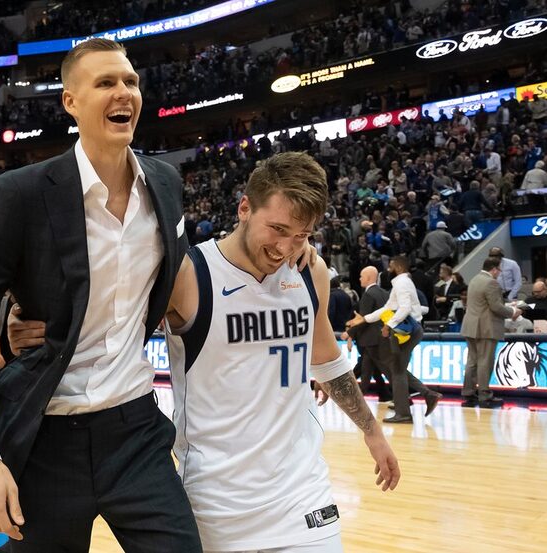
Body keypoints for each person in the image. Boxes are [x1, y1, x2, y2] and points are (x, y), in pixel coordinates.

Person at [0, 38, 201, 551]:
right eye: (105, 83)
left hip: (136, 431)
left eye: (130, 81)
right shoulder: (22, 193)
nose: (123, 91)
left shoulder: (166, 183)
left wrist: (283, 249)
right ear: (71, 102)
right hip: (44, 441)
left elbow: (184, 269)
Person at [163, 153, 399, 551]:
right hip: (217, 503)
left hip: (301, 495)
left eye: (301, 235)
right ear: (244, 208)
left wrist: (372, 431)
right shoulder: (189, 274)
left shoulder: (310, 273)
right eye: (277, 229)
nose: (285, 247)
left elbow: (326, 361)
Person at [347, 256, 441, 423]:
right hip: (408, 330)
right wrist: (364, 319)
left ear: (397, 266)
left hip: (407, 331)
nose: (387, 270)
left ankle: (404, 412)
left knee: (397, 371)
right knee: (397, 370)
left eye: (390, 267)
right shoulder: (401, 283)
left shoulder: (402, 283)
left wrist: (389, 325)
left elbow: (404, 308)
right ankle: (426, 396)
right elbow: (387, 308)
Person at [461, 258, 521, 408]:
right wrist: (513, 311)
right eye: (499, 270)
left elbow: (485, 304)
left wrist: (506, 306)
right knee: (484, 362)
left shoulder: (474, 279)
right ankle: (484, 395)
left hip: (470, 326)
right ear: (494, 269)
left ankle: (468, 394)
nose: (499, 273)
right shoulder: (491, 283)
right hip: (485, 328)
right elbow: (496, 307)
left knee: (472, 362)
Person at [346, 266, 391, 401]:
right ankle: (358, 398)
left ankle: (407, 397)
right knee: (367, 370)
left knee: (388, 371)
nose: (359, 278)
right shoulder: (385, 293)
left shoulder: (368, 294)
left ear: (369, 277)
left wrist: (349, 333)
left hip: (371, 339)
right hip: (382, 337)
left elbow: (363, 319)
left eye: (361, 276)